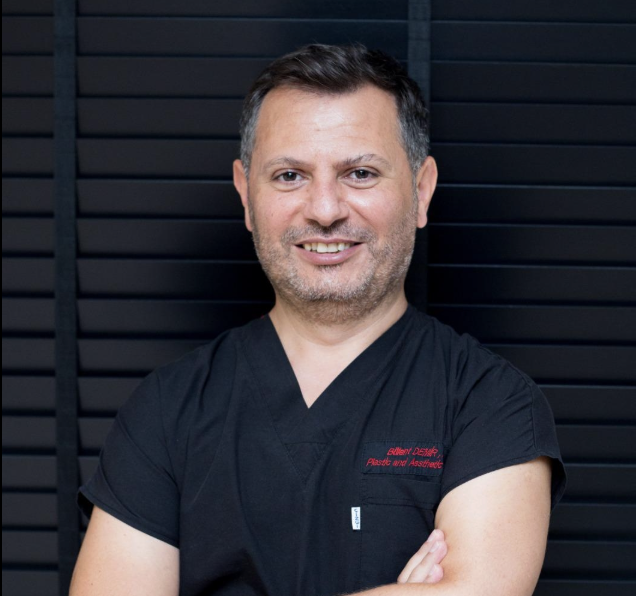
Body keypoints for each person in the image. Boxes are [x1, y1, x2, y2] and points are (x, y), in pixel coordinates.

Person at [70, 44, 565, 595]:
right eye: (289, 176)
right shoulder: (167, 411)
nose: (325, 210)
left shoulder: (490, 404)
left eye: (360, 173)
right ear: (246, 195)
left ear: (421, 191)